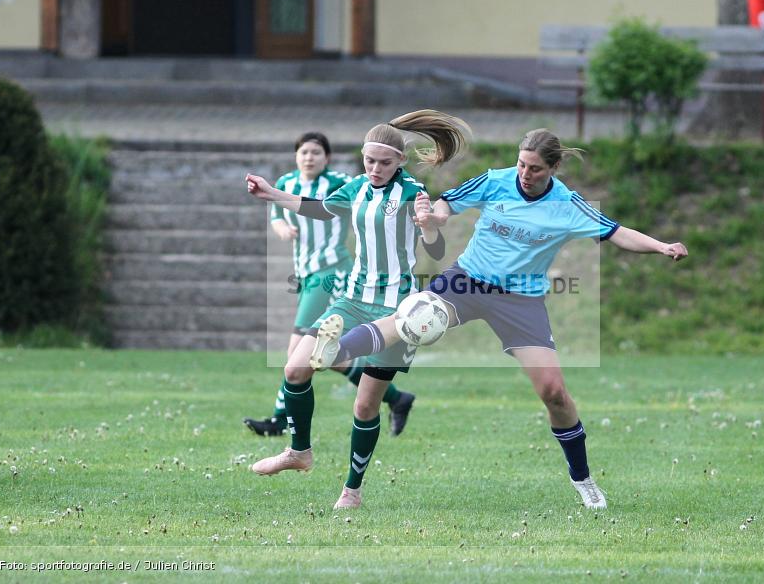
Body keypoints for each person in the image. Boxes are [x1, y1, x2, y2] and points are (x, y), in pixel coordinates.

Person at [311, 128, 689, 510]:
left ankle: (583, 479)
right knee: (411, 317)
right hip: (467, 280)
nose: (525, 173)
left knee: (554, 393)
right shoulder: (496, 181)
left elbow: (616, 232)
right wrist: (434, 217)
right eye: (522, 164)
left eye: (536, 169)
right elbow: (447, 203)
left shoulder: (567, 205)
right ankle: (335, 350)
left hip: (520, 301)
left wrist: (661, 246)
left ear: (554, 168)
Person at [245, 110, 470, 509]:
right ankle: (299, 452)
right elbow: (320, 207)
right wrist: (272, 194)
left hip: (398, 312)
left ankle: (352, 490)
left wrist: (429, 226)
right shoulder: (354, 188)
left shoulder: (412, 193)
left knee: (365, 405)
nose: (375, 169)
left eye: (384, 162)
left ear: (400, 161)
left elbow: (435, 250)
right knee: (295, 369)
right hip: (350, 298)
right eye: (369, 161)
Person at [243, 132, 416, 438]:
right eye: (304, 152)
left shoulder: (341, 181)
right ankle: (395, 398)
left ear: (327, 158)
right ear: (296, 156)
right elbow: (279, 211)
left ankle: (281, 419)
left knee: (298, 349)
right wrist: (278, 218)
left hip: (331, 271)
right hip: (307, 273)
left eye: (316, 152)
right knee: (327, 357)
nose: (309, 157)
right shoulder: (287, 181)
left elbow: (326, 207)